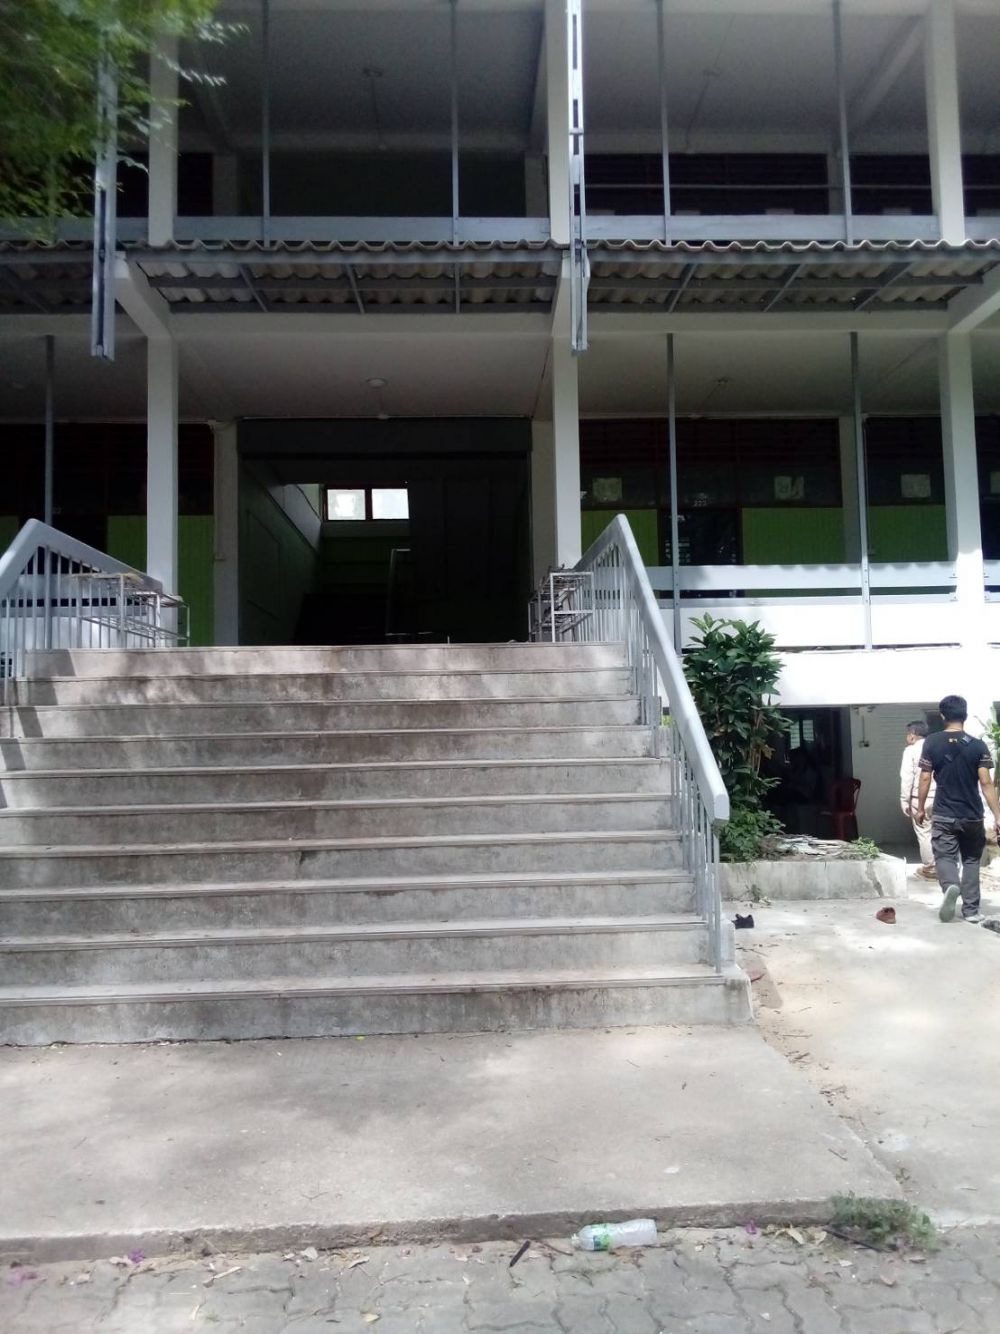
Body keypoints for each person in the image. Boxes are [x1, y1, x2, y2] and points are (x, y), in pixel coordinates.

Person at [916, 695, 1000, 924]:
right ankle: (971, 911)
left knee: (945, 856)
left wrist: (920, 808)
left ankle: (951, 886)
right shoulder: (978, 745)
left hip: (944, 813)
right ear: (965, 715)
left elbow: (925, 778)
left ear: (943, 716)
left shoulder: (931, 742)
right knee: (971, 860)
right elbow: (986, 783)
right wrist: (998, 816)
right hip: (972, 815)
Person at [900, 721, 937, 880]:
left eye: (907, 734)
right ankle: (944, 866)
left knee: (924, 833)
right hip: (941, 798)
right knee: (940, 833)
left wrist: (904, 800)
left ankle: (930, 869)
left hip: (919, 799)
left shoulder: (911, 751)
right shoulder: (937, 747)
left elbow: (907, 777)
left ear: (912, 735)